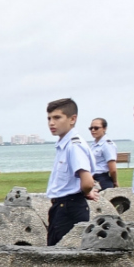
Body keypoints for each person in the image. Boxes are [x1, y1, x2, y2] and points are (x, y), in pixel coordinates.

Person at [44, 98, 96, 243]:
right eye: (49, 118)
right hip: (62, 206)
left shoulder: (74, 146)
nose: (51, 123)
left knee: (61, 257)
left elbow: (87, 181)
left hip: (68, 208)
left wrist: (86, 192)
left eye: (57, 117)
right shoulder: (64, 144)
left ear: (72, 119)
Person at [87, 117, 118, 190]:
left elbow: (112, 169)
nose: (93, 130)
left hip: (102, 179)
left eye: (96, 128)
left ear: (104, 128)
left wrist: (115, 181)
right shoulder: (93, 144)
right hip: (92, 178)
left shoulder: (107, 145)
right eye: (91, 128)